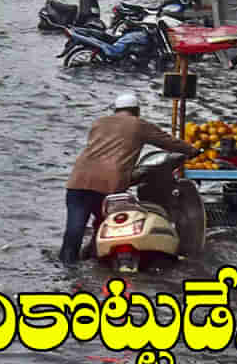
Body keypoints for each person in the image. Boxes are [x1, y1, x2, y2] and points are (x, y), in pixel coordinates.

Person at [59, 92, 201, 264]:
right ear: (136, 110)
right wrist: (192, 151)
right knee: (108, 225)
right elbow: (167, 141)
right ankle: (99, 260)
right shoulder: (138, 125)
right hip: (109, 185)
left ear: (116, 109)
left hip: (78, 181)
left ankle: (67, 265)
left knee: (74, 229)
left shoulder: (98, 123)